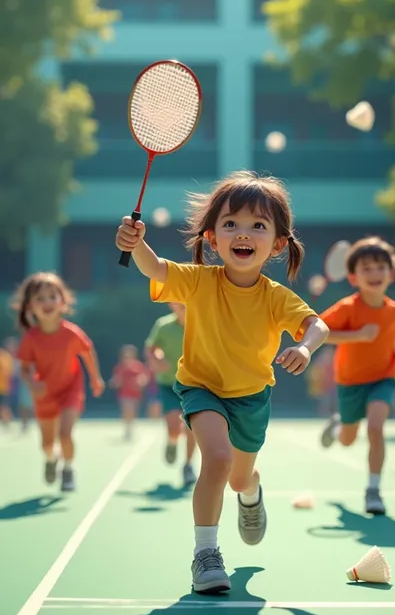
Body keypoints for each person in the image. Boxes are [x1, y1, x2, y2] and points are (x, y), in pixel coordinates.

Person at [115, 170, 328, 593]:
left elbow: (317, 325)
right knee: (215, 458)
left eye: (257, 225)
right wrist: (136, 243)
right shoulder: (198, 280)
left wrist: (305, 348)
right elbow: (155, 268)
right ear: (212, 238)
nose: (242, 233)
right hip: (201, 388)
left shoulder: (275, 296)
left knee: (238, 477)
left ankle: (251, 495)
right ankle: (206, 555)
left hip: (250, 397)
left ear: (278, 243)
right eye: (230, 223)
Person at [319, 237, 395, 515]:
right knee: (349, 439)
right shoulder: (347, 308)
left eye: (380, 267)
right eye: (366, 268)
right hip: (350, 381)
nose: (374, 274)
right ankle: (339, 427)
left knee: (376, 427)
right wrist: (356, 335)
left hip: (384, 378)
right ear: (353, 277)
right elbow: (316, 333)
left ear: (391, 273)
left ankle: (373, 490)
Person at [12, 272, 105, 491]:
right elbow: (24, 370)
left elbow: (87, 352)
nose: (47, 303)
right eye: (40, 299)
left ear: (62, 302)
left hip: (71, 389)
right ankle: (51, 459)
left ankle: (68, 469)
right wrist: (32, 385)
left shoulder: (71, 333)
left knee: (65, 434)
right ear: (30, 307)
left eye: (52, 297)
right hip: (44, 393)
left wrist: (95, 378)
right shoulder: (31, 339)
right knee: (47, 444)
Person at [145, 303, 197, 486]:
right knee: (174, 427)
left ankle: (188, 465)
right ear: (171, 303)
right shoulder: (163, 325)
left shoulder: (202, 324)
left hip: (195, 385)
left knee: (193, 428)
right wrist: (157, 358)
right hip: (168, 384)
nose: (183, 302)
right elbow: (152, 348)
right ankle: (173, 442)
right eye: (178, 299)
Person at [110, 344, 150, 441]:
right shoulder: (120, 367)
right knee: (127, 409)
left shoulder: (138, 366)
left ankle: (130, 426)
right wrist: (115, 382)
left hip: (135, 394)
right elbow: (116, 379)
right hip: (124, 394)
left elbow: (144, 377)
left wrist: (139, 382)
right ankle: (127, 428)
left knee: (133, 411)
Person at [0, 344, 14, 426]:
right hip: (4, 386)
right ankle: (6, 420)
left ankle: (7, 420)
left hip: (4, 387)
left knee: (4, 405)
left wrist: (10, 386)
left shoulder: (6, 357)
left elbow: (9, 374)